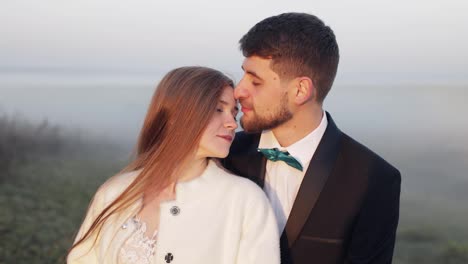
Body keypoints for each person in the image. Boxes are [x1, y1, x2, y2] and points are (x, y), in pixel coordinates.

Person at [222, 13, 401, 263]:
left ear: (300, 90)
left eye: (255, 81)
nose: (238, 90)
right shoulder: (225, 155)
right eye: (244, 76)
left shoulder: (374, 179)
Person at [67, 66, 280, 264]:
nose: (232, 123)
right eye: (218, 109)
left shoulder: (245, 200)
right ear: (177, 114)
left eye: (234, 113)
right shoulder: (113, 192)